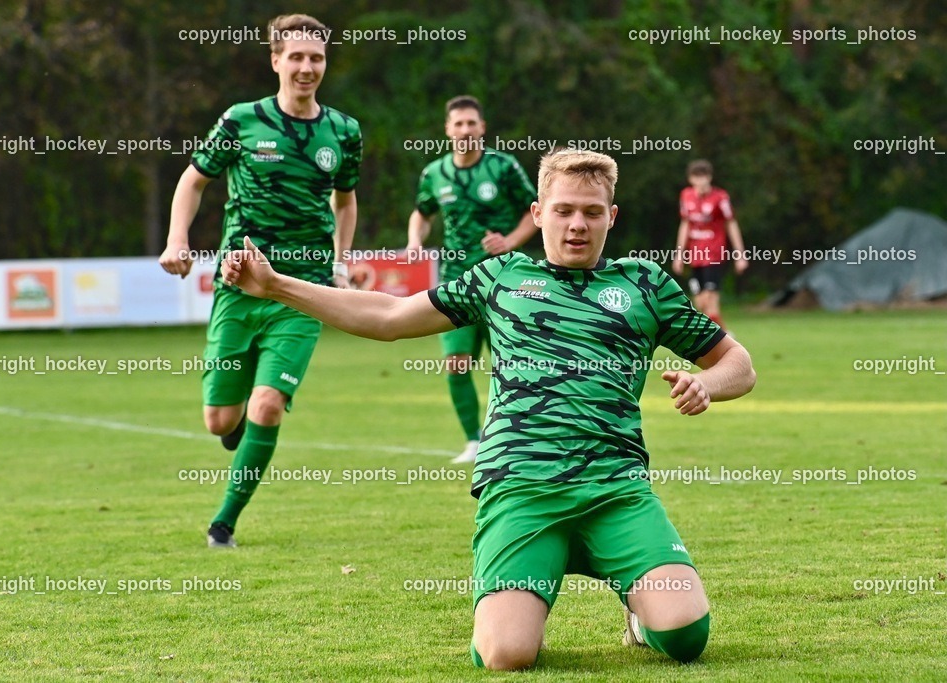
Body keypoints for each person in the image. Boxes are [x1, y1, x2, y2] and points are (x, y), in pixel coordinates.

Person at [221, 149, 756, 670]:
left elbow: (739, 363)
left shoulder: (644, 284)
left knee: (686, 637)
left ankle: (640, 615)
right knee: (507, 655)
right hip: (520, 490)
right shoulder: (499, 278)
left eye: (592, 212)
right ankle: (520, 601)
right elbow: (387, 316)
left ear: (611, 217)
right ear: (537, 213)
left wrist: (706, 383)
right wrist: (275, 286)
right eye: (563, 210)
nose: (577, 224)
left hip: (615, 489)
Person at [158, 13, 362, 548]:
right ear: (275, 60)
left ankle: (224, 522)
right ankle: (237, 427)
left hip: (303, 286)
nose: (306, 67)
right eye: (295, 56)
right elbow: (193, 179)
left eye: (316, 57)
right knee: (219, 421)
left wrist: (341, 261)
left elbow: (345, 199)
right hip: (239, 284)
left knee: (267, 404)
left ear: (325, 63)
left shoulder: (343, 131)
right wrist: (178, 238)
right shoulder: (241, 120)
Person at [406, 95, 538, 464]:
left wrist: (509, 241)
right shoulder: (434, 173)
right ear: (448, 130)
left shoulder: (503, 167)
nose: (465, 130)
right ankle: (473, 441)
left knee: (511, 361)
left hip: (503, 279)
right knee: (456, 362)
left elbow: (535, 212)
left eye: (471, 123)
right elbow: (422, 213)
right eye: (458, 124)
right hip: (456, 281)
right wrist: (416, 241)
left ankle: (515, 437)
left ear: (482, 128)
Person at [671, 159, 747, 330]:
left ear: (710, 178)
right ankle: (723, 335)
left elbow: (731, 223)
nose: (700, 181)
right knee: (700, 303)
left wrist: (740, 254)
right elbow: (685, 225)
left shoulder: (720, 198)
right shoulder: (686, 195)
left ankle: (722, 342)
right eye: (696, 177)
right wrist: (679, 255)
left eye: (703, 177)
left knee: (710, 301)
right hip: (695, 256)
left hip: (713, 254)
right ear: (691, 179)